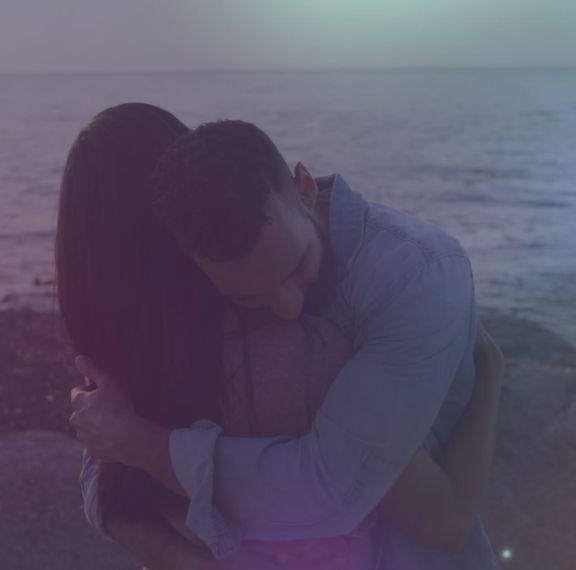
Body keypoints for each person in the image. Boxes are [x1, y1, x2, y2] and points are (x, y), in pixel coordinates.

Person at [59, 106, 504, 568]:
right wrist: (491, 374)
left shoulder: (133, 378)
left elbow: (110, 489)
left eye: (297, 268)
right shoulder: (309, 351)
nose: (288, 308)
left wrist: (131, 452)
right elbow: (442, 519)